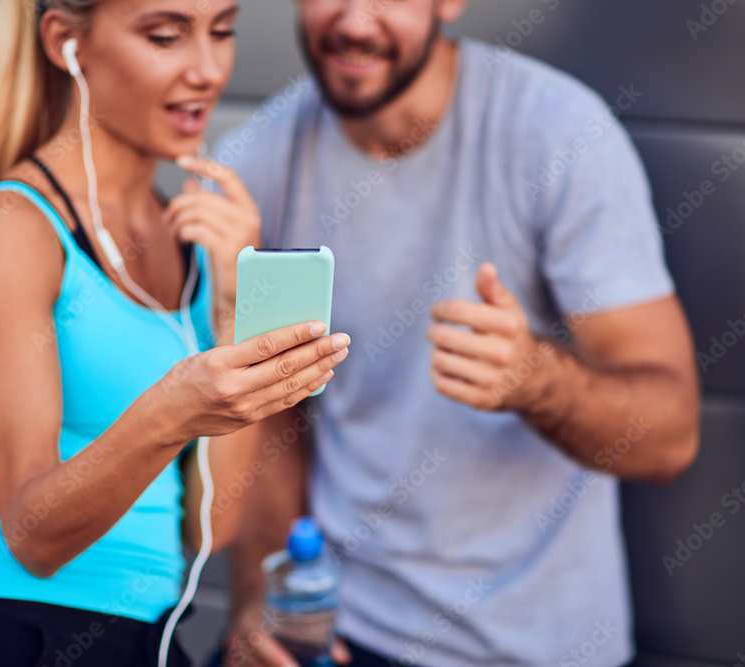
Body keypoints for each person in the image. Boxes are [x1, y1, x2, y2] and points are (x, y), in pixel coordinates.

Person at [214, 0, 700, 665]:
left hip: (536, 647)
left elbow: (670, 438)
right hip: (344, 630)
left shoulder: (560, 132)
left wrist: (536, 379)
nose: (356, 22)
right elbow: (274, 418)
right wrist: (260, 608)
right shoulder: (259, 158)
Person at [0, 0, 350, 665]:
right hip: (10, 632)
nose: (207, 69)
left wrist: (234, 305)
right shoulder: (12, 227)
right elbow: (34, 537)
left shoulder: (196, 249)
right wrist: (173, 407)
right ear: (66, 42)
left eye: (223, 32)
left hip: (147, 640)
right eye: (166, 36)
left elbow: (210, 528)